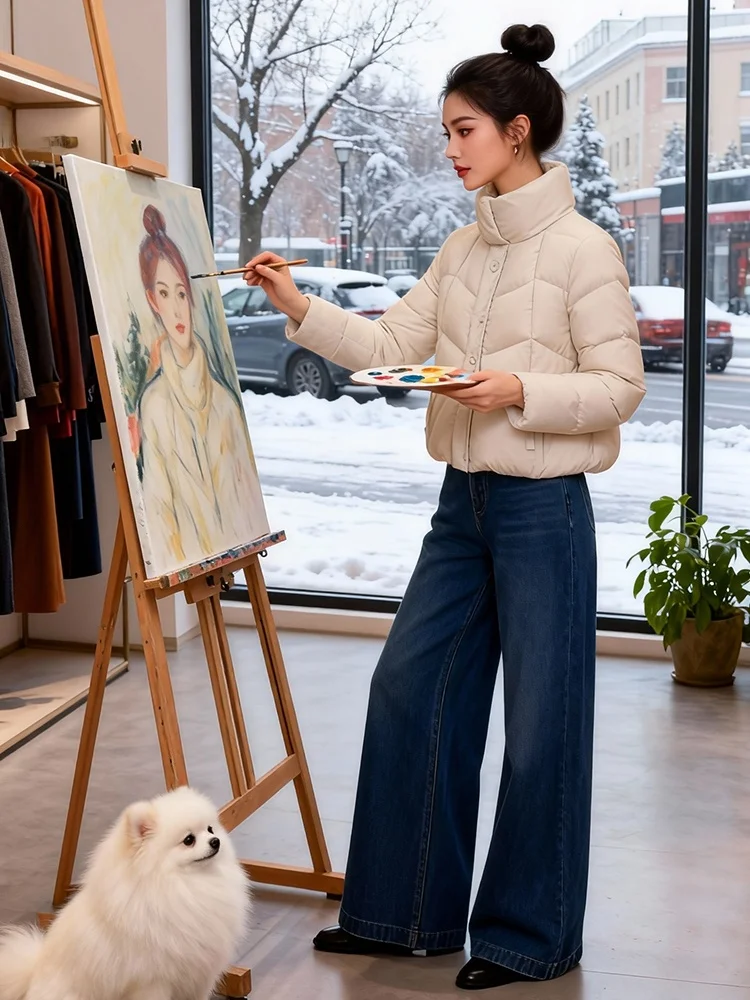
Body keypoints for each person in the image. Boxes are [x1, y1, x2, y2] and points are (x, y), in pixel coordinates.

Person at [244, 23, 645, 992]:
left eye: (464, 130)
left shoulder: (585, 249)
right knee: (410, 689)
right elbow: (388, 342)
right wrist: (299, 306)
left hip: (544, 511)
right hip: (459, 507)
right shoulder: (464, 248)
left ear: (517, 131)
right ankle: (402, 914)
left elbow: (620, 385)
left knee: (543, 725)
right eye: (446, 131)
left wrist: (518, 392)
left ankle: (527, 936)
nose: (452, 148)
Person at [137, 205, 258, 572]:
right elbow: (159, 508)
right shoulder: (154, 403)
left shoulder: (224, 402)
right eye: (163, 293)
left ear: (190, 296)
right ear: (151, 301)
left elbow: (242, 502)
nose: (176, 309)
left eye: (180, 292)